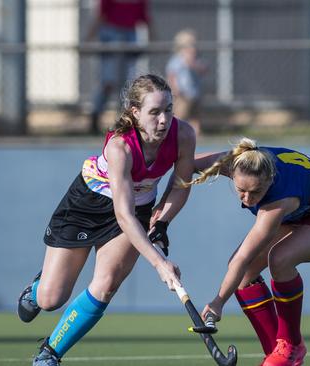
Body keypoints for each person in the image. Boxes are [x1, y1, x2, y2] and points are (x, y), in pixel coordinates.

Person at [17, 74, 197, 366]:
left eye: (168, 109)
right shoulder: (120, 147)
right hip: (88, 205)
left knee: (107, 283)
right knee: (51, 299)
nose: (163, 120)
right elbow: (122, 215)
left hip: (137, 207)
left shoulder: (184, 135)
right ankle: (38, 288)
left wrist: (162, 222)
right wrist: (159, 263)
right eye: (154, 112)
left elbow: (179, 185)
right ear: (134, 113)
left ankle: (50, 354)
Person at [185, 138, 310, 366]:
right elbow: (186, 163)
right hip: (305, 206)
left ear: (269, 180)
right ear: (232, 172)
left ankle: (291, 346)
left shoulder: (278, 200)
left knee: (280, 259)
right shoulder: (239, 161)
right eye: (241, 190)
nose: (247, 199)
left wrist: (218, 302)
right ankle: (277, 355)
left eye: (256, 192)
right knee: (246, 274)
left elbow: (242, 257)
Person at [86, 0, 152, 135]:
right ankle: (95, 116)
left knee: (130, 82)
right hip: (111, 34)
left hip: (130, 35)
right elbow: (102, 15)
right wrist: (89, 36)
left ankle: (127, 121)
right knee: (108, 81)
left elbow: (144, 17)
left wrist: (153, 38)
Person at [166, 29, 206, 136]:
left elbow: (204, 70)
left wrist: (193, 64)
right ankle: (173, 133)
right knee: (180, 115)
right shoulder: (177, 60)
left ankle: (196, 133)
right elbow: (172, 75)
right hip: (183, 94)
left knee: (195, 117)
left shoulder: (196, 60)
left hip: (195, 93)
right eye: (188, 46)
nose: (192, 49)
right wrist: (175, 89)